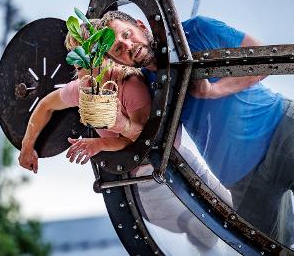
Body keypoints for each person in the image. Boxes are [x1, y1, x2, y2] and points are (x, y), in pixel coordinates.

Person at [100, 10, 294, 246]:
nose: (128, 45)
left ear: (140, 25)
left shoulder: (196, 30)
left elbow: (263, 61)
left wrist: (214, 91)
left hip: (282, 128)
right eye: (118, 49)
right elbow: (168, 143)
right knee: (267, 249)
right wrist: (118, 123)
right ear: (118, 60)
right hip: (243, 178)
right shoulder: (146, 88)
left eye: (127, 34)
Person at [18, 21, 232, 251]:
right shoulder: (83, 88)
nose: (85, 74)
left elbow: (145, 142)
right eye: (79, 64)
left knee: (228, 211)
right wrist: (27, 146)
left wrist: (103, 139)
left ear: (105, 57)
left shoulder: (129, 85)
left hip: (176, 164)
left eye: (91, 61)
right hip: (145, 187)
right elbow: (45, 105)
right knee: (200, 235)